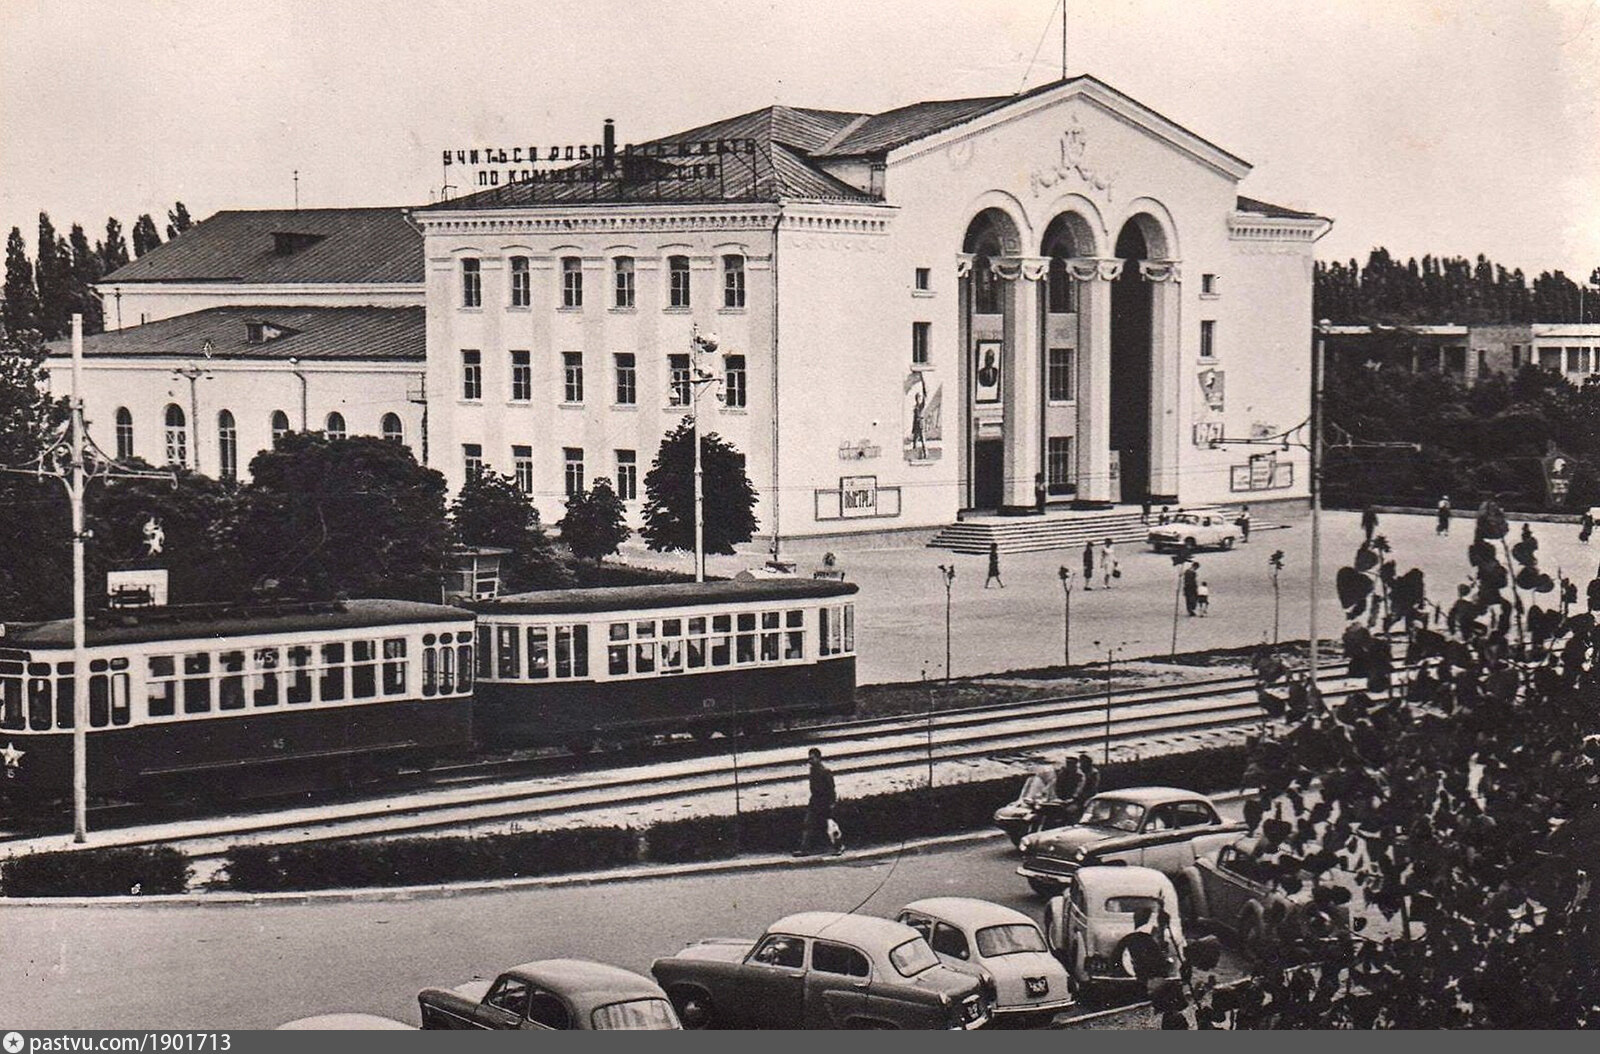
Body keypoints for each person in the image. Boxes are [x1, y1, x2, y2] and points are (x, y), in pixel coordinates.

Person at [796, 748, 839, 856]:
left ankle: (838, 846)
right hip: (814, 802)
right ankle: (804, 849)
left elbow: (831, 788)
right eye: (809, 759)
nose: (810, 761)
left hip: (824, 802)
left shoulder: (825, 771)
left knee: (830, 827)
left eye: (812, 758)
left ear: (819, 759)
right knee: (808, 824)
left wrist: (832, 803)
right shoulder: (812, 771)